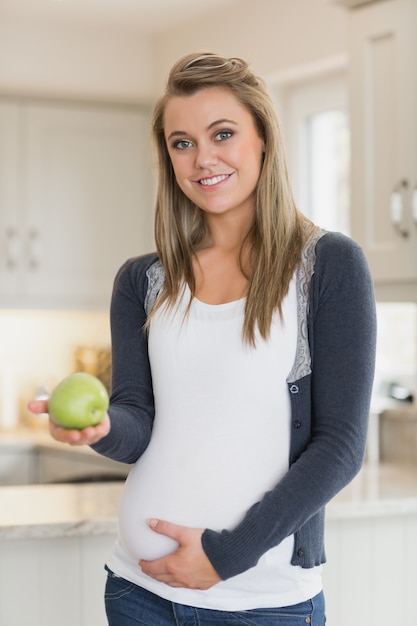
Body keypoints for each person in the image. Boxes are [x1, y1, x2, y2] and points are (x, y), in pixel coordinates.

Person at [29, 51, 377, 625]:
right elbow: (138, 425)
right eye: (181, 142)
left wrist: (225, 556)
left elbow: (340, 447)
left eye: (222, 134)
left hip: (259, 602)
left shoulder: (327, 265)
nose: (202, 159)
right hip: (137, 591)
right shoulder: (143, 279)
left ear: (263, 138)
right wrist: (102, 428)